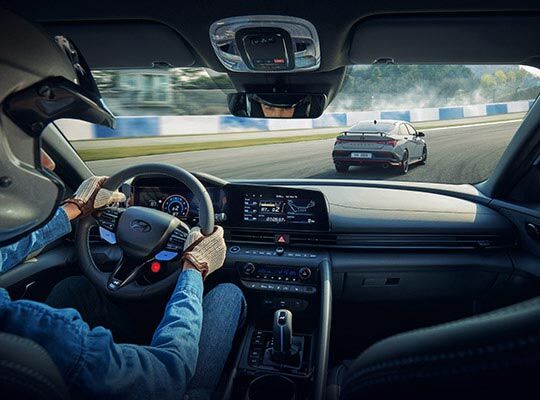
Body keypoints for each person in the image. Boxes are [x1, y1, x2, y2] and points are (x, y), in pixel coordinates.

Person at [0, 9, 246, 400]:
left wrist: (74, 210)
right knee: (230, 296)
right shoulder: (44, 335)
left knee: (75, 286)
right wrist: (194, 269)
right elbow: (168, 373)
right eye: (34, 142)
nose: (48, 162)